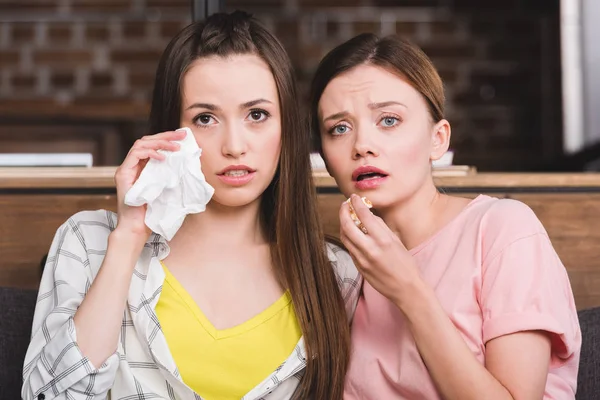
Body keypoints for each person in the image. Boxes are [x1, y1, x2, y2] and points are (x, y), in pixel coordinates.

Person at [22, 11, 359, 400]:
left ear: (287, 129)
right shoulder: (90, 242)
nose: (234, 145)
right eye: (205, 118)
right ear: (172, 133)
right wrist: (129, 237)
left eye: (257, 115)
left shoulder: (336, 274)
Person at [310, 33, 581, 399]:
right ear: (325, 158)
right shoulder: (342, 270)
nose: (361, 145)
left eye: (388, 120)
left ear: (438, 139)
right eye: (339, 128)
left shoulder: (503, 230)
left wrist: (409, 290)